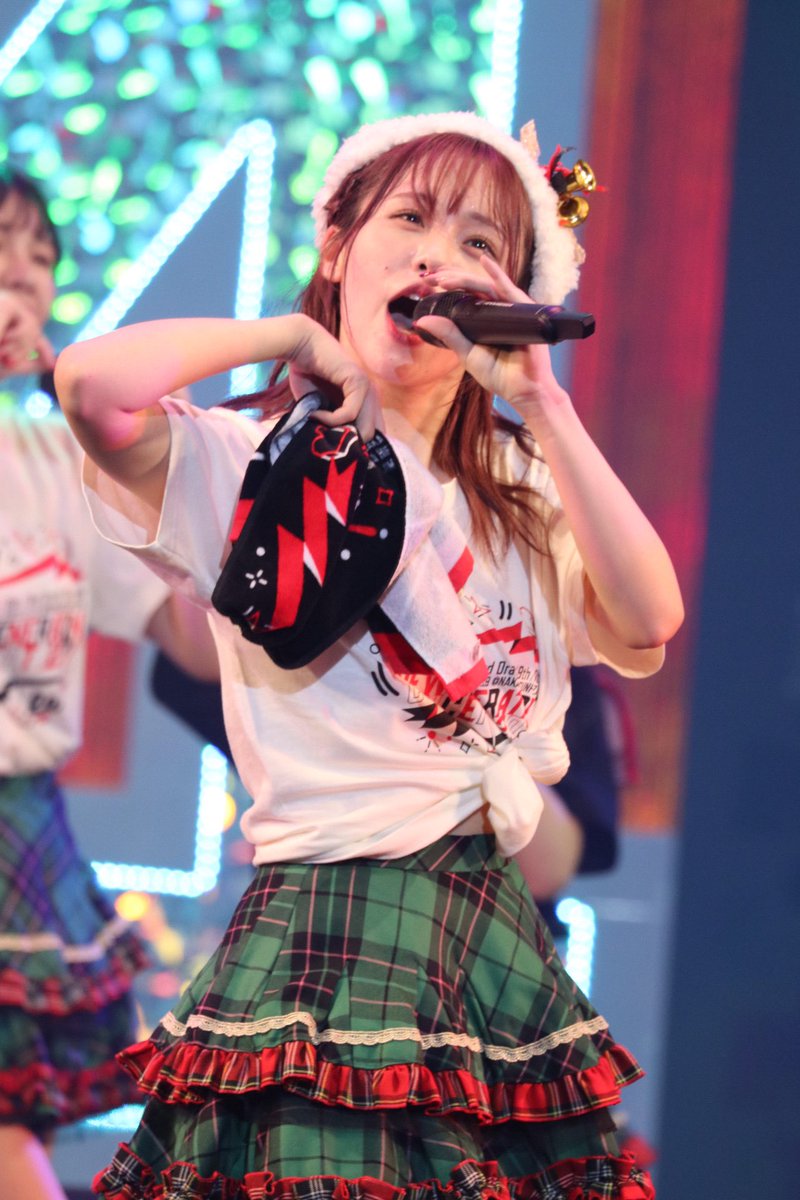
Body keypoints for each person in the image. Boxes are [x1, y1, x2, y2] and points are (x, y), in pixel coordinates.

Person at [55, 111, 683, 1200]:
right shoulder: (251, 465)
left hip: (493, 948)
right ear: (339, 245)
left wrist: (541, 401)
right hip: (326, 938)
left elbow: (648, 617)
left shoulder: (529, 490)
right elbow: (91, 387)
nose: (440, 259)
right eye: (411, 220)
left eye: (480, 243)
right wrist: (291, 339)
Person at [0, 167, 218, 1200]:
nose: (24, 277)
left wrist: (188, 500)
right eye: (2, 248)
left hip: (18, 819)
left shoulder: (56, 457)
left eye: (40, 260)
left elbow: (195, 642)